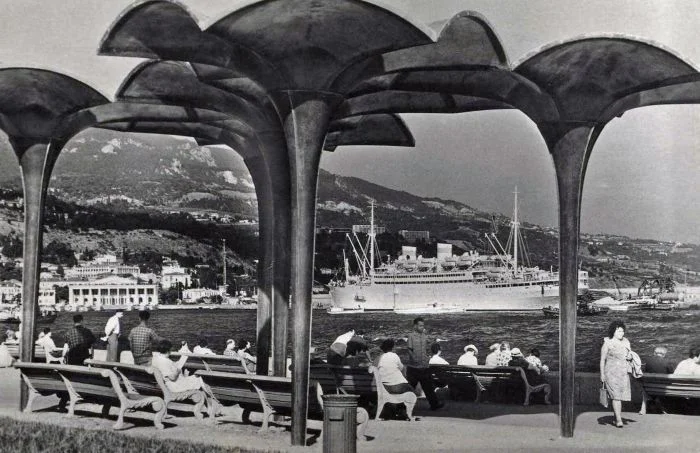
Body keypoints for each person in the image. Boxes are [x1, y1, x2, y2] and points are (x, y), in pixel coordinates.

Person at [600, 320, 634, 428]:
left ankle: (616, 418)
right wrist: (602, 374)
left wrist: (630, 357)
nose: (621, 333)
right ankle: (619, 420)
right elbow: (602, 359)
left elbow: (629, 354)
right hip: (611, 372)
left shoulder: (626, 341)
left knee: (619, 396)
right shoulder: (607, 342)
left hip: (623, 372)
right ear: (613, 331)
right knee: (616, 397)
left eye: (622, 331)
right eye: (619, 331)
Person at [151, 339, 215, 397]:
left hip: (175, 384)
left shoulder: (157, 359)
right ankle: (213, 399)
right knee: (200, 379)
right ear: (168, 350)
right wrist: (178, 370)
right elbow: (172, 377)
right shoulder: (165, 361)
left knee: (197, 378)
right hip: (176, 386)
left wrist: (176, 365)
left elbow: (166, 370)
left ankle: (211, 399)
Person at [406, 317, 444, 410]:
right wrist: (414, 359)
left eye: (423, 325)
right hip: (413, 368)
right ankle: (402, 407)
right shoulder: (411, 336)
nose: (422, 327)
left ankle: (434, 405)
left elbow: (428, 347)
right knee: (410, 389)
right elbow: (409, 350)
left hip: (424, 366)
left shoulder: (424, 336)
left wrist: (427, 358)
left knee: (428, 387)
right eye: (420, 325)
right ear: (415, 326)